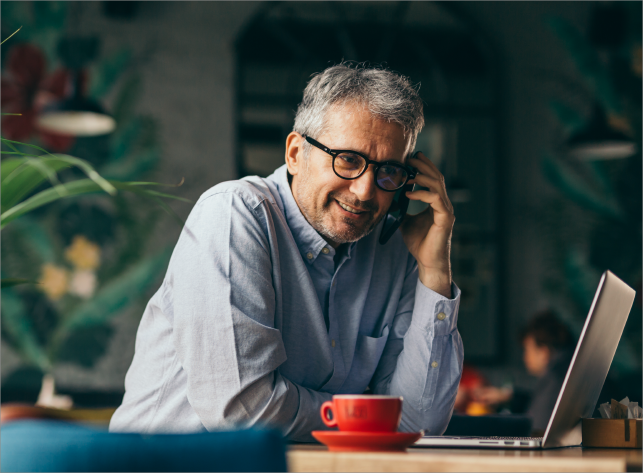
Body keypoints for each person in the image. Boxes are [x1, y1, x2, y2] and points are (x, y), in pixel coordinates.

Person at [109, 64, 463, 441]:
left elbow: (417, 423)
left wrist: (435, 272)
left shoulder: (397, 249)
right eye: (348, 159)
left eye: (388, 171)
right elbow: (242, 411)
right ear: (296, 154)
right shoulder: (234, 213)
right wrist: (362, 419)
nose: (364, 191)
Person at [472, 310, 574, 433]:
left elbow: (537, 431)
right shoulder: (567, 371)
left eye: (527, 349)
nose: (524, 357)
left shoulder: (555, 378)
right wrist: (508, 398)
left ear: (543, 352)